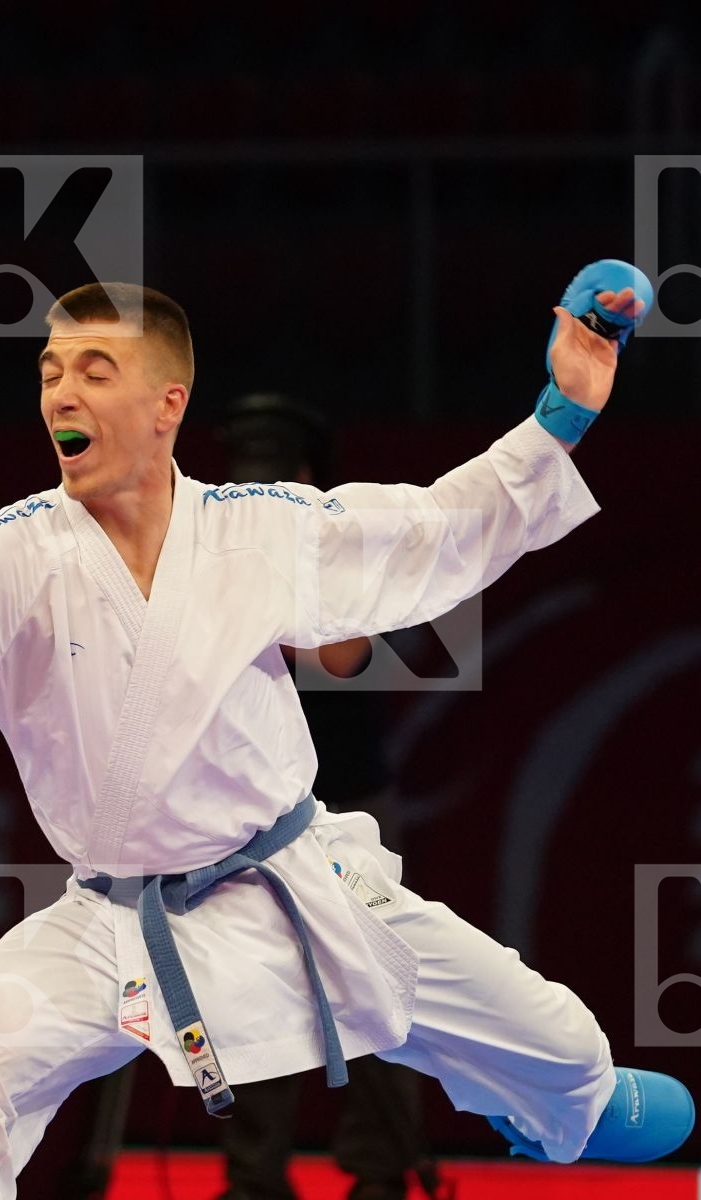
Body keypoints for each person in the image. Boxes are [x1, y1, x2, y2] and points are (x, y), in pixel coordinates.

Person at [0, 276, 694, 1198]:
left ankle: (562, 1108)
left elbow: (439, 524)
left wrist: (564, 409)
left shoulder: (258, 529)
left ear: (167, 404)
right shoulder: (5, 556)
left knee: (567, 1048)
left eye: (95, 371)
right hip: (108, 925)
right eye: (49, 371)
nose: (61, 392)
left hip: (298, 889)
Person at [211, 393, 437, 1200]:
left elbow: (341, 658)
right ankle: (254, 1178)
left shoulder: (337, 547)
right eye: (242, 478)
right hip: (248, 824)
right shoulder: (206, 549)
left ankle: (380, 1172)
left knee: (374, 988)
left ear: (305, 480)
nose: (255, 492)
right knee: (253, 994)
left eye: (271, 477)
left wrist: (270, 591)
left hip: (351, 814)